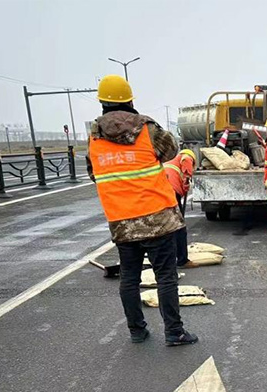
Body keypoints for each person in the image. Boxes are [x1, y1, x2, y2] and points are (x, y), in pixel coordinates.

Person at [86, 74, 199, 345]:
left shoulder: (94, 138)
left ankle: (137, 331)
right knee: (165, 277)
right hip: (157, 218)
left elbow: (93, 173)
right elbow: (171, 151)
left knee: (129, 278)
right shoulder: (147, 128)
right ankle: (174, 332)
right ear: (129, 100)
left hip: (122, 221)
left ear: (102, 102)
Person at [164, 149, 197, 268]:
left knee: (165, 226)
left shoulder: (171, 161)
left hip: (161, 189)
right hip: (170, 190)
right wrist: (187, 178)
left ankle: (168, 257)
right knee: (179, 226)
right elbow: (187, 160)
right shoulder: (187, 156)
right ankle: (182, 260)